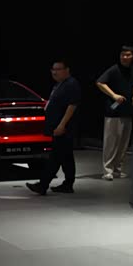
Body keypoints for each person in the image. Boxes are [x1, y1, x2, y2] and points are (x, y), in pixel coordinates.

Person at [27, 59, 81, 195]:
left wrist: (62, 125)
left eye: (58, 69)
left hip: (64, 128)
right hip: (57, 127)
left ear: (67, 70)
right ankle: (68, 184)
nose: (55, 72)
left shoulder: (71, 84)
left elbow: (72, 105)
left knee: (55, 158)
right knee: (66, 157)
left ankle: (43, 185)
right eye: (53, 69)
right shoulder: (59, 85)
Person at [96, 46, 133, 180]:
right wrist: (114, 95)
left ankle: (117, 169)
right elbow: (100, 82)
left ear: (132, 57)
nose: (124, 57)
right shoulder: (114, 69)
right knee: (111, 142)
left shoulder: (132, 69)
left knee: (123, 143)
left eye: (128, 55)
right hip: (113, 112)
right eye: (122, 55)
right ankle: (107, 170)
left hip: (127, 111)